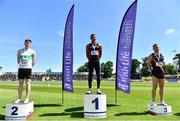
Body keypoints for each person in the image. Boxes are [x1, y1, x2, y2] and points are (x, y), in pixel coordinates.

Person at [15, 39, 36, 104]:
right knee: (20, 83)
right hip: (21, 68)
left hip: (28, 69)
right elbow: (18, 60)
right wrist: (23, 64)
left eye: (29, 43)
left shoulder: (32, 51)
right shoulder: (20, 51)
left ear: (30, 44)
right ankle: (19, 98)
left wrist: (29, 66)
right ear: (24, 43)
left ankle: (27, 98)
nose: (27, 44)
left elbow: (34, 61)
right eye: (26, 43)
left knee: (27, 83)